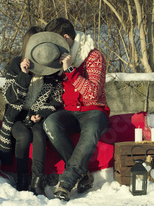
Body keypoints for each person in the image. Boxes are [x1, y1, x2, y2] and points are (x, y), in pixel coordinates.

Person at [43, 17, 110, 201]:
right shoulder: (55, 59)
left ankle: (66, 181)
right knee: (50, 123)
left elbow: (93, 94)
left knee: (92, 127)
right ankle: (83, 174)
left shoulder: (93, 55)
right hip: (69, 112)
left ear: (66, 38)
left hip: (94, 110)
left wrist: (70, 70)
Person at [0, 27, 69, 195]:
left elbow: (57, 98)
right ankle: (22, 179)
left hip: (39, 115)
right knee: (23, 135)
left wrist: (42, 113)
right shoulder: (17, 64)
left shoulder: (51, 68)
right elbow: (10, 98)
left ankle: (37, 181)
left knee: (39, 134)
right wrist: (24, 75)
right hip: (17, 117)